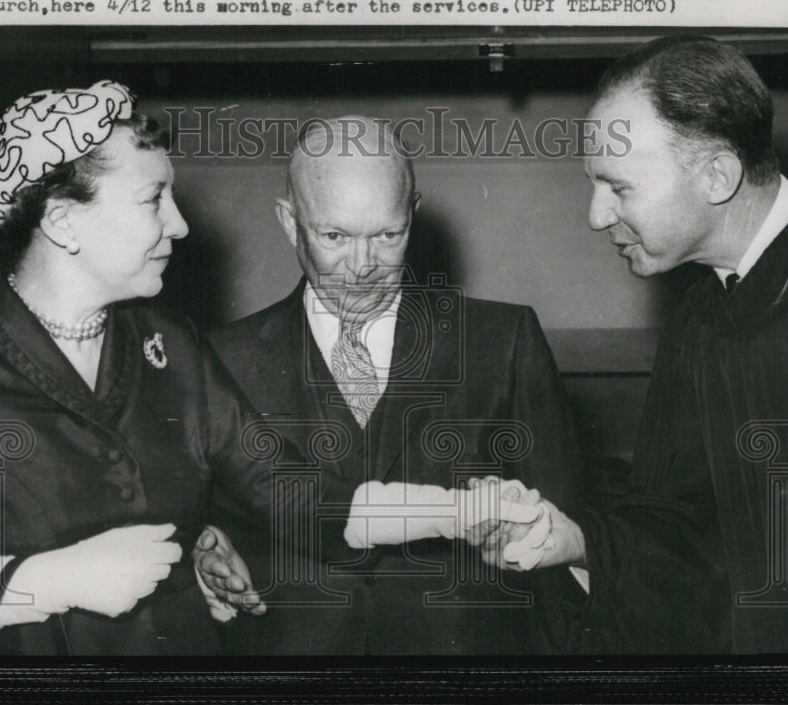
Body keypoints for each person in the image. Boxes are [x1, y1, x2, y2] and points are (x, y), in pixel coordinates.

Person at [488, 36, 788, 654]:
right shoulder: (697, 322)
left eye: (619, 187)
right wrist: (577, 541)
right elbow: (685, 538)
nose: (596, 216)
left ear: (717, 176)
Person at [0, 81, 273, 655]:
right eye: (153, 199)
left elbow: (277, 484)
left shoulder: (173, 342)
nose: (180, 224)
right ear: (62, 222)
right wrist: (38, 583)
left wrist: (197, 544)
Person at [204, 116, 585, 654]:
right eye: (334, 236)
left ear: (413, 215)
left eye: (387, 235)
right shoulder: (220, 358)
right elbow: (200, 524)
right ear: (290, 222)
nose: (362, 267)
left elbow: (565, 544)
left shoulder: (504, 339)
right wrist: (202, 553)